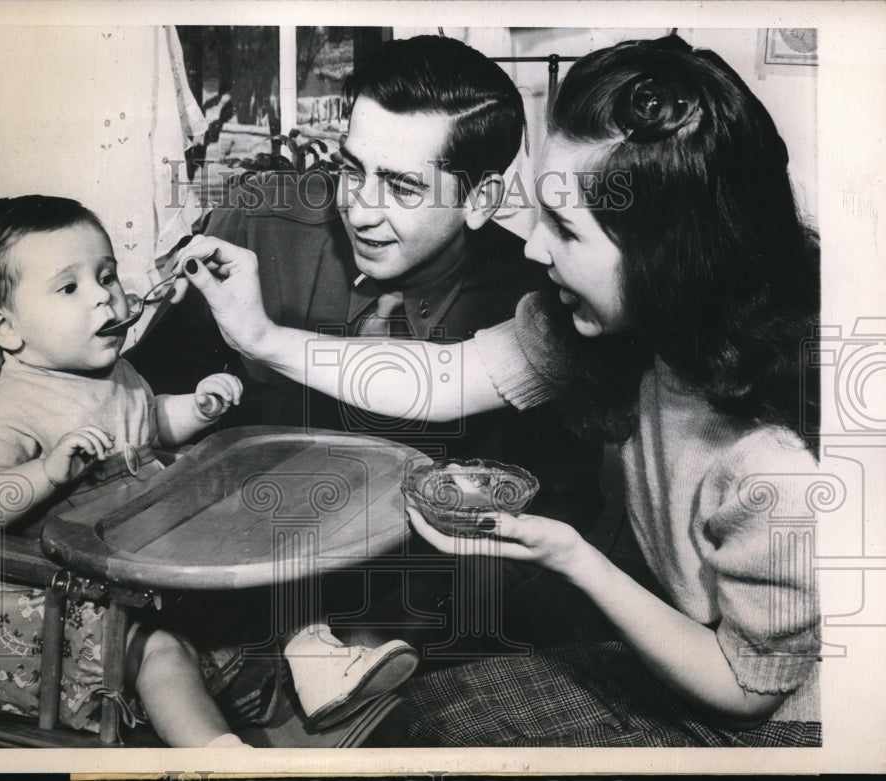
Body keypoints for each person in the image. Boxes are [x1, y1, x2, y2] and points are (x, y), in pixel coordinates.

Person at [169, 34, 822, 745]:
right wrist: (261, 336)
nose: (536, 250)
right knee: (421, 726)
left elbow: (747, 690)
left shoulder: (778, 459)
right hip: (679, 650)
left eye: (566, 231)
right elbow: (444, 380)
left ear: (668, 254)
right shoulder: (622, 329)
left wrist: (571, 556)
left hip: (792, 726)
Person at [127, 34, 606, 661]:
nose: (359, 209)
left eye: (403, 187)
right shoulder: (257, 226)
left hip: (416, 626)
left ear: (481, 200)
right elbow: (141, 405)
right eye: (352, 169)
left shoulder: (538, 300)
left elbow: (552, 517)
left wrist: (380, 636)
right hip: (228, 591)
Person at [0, 194, 249, 747]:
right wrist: (45, 473)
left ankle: (321, 660)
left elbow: (148, 423)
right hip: (88, 601)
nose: (105, 297)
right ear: (6, 328)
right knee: (160, 651)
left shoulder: (117, 372)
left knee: (263, 563)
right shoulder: (11, 406)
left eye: (107, 275)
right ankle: (222, 755)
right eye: (70, 288)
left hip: (153, 555)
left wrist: (197, 408)